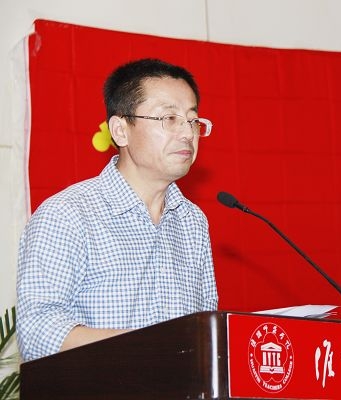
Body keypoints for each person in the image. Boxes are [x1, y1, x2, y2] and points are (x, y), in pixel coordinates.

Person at [16, 58, 218, 361]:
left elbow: (204, 327)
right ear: (120, 130)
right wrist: (149, 346)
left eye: (192, 120)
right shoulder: (68, 214)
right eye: (169, 118)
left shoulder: (192, 222)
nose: (188, 134)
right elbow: (37, 331)